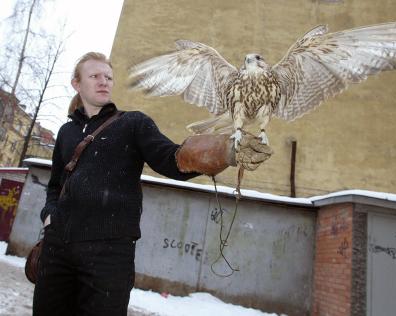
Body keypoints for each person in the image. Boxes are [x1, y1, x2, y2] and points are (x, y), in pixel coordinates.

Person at [33, 52, 270, 316]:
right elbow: (55, 184)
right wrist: (49, 217)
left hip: (109, 252)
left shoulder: (132, 123)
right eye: (95, 76)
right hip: (58, 248)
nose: (104, 81)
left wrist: (226, 151)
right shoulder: (67, 132)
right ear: (77, 84)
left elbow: (172, 160)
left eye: (108, 77)